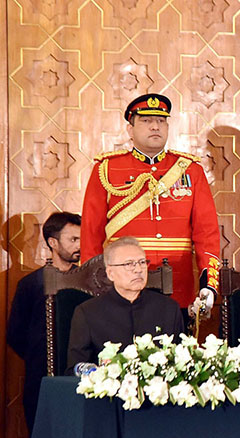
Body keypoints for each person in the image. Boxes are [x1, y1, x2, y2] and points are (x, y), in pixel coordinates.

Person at [80, 93, 221, 321]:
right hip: (120, 290)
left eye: (161, 120)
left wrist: (209, 285)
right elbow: (91, 234)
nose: (155, 126)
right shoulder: (106, 169)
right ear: (130, 129)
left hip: (178, 288)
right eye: (146, 121)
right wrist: (96, 288)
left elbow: (207, 234)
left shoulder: (190, 170)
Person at [7, 212, 81, 435]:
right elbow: (16, 335)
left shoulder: (90, 282)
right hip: (40, 381)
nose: (79, 245)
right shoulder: (30, 284)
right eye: (73, 239)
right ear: (53, 242)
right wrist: (41, 356)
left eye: (82, 239)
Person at [66, 237, 184, 372]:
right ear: (110, 273)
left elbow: (180, 361)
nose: (138, 269)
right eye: (129, 264)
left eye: (142, 262)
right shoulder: (87, 313)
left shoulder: (168, 308)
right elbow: (74, 369)